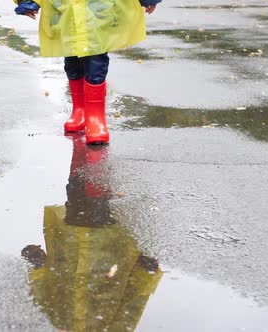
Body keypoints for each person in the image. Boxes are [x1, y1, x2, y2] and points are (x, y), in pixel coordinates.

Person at [22, 134, 162, 330]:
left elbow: (43, 294)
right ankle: (98, 152)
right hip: (105, 249)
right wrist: (147, 273)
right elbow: (133, 303)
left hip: (70, 243)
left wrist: (38, 265)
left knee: (75, 190)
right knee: (98, 201)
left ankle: (83, 150)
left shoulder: (60, 323)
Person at [15, 0, 161, 144]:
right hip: (66, 13)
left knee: (96, 61)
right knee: (72, 61)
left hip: (97, 15)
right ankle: (79, 111)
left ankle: (95, 118)